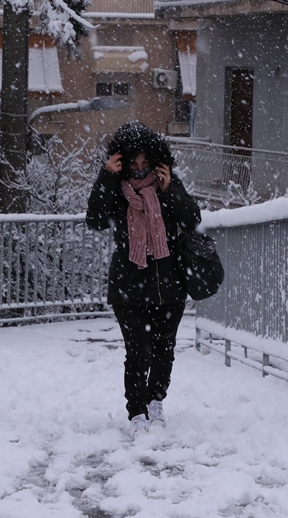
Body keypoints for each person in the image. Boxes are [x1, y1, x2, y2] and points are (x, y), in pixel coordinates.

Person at [86, 121, 202, 438]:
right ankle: (137, 411)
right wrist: (107, 176)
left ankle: (155, 401)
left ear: (155, 159)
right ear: (122, 160)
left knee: (164, 350)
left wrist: (170, 191)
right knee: (138, 352)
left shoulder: (167, 184)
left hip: (169, 285)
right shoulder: (116, 189)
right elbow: (94, 220)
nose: (139, 170)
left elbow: (192, 218)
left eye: (144, 163)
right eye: (132, 163)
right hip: (128, 286)